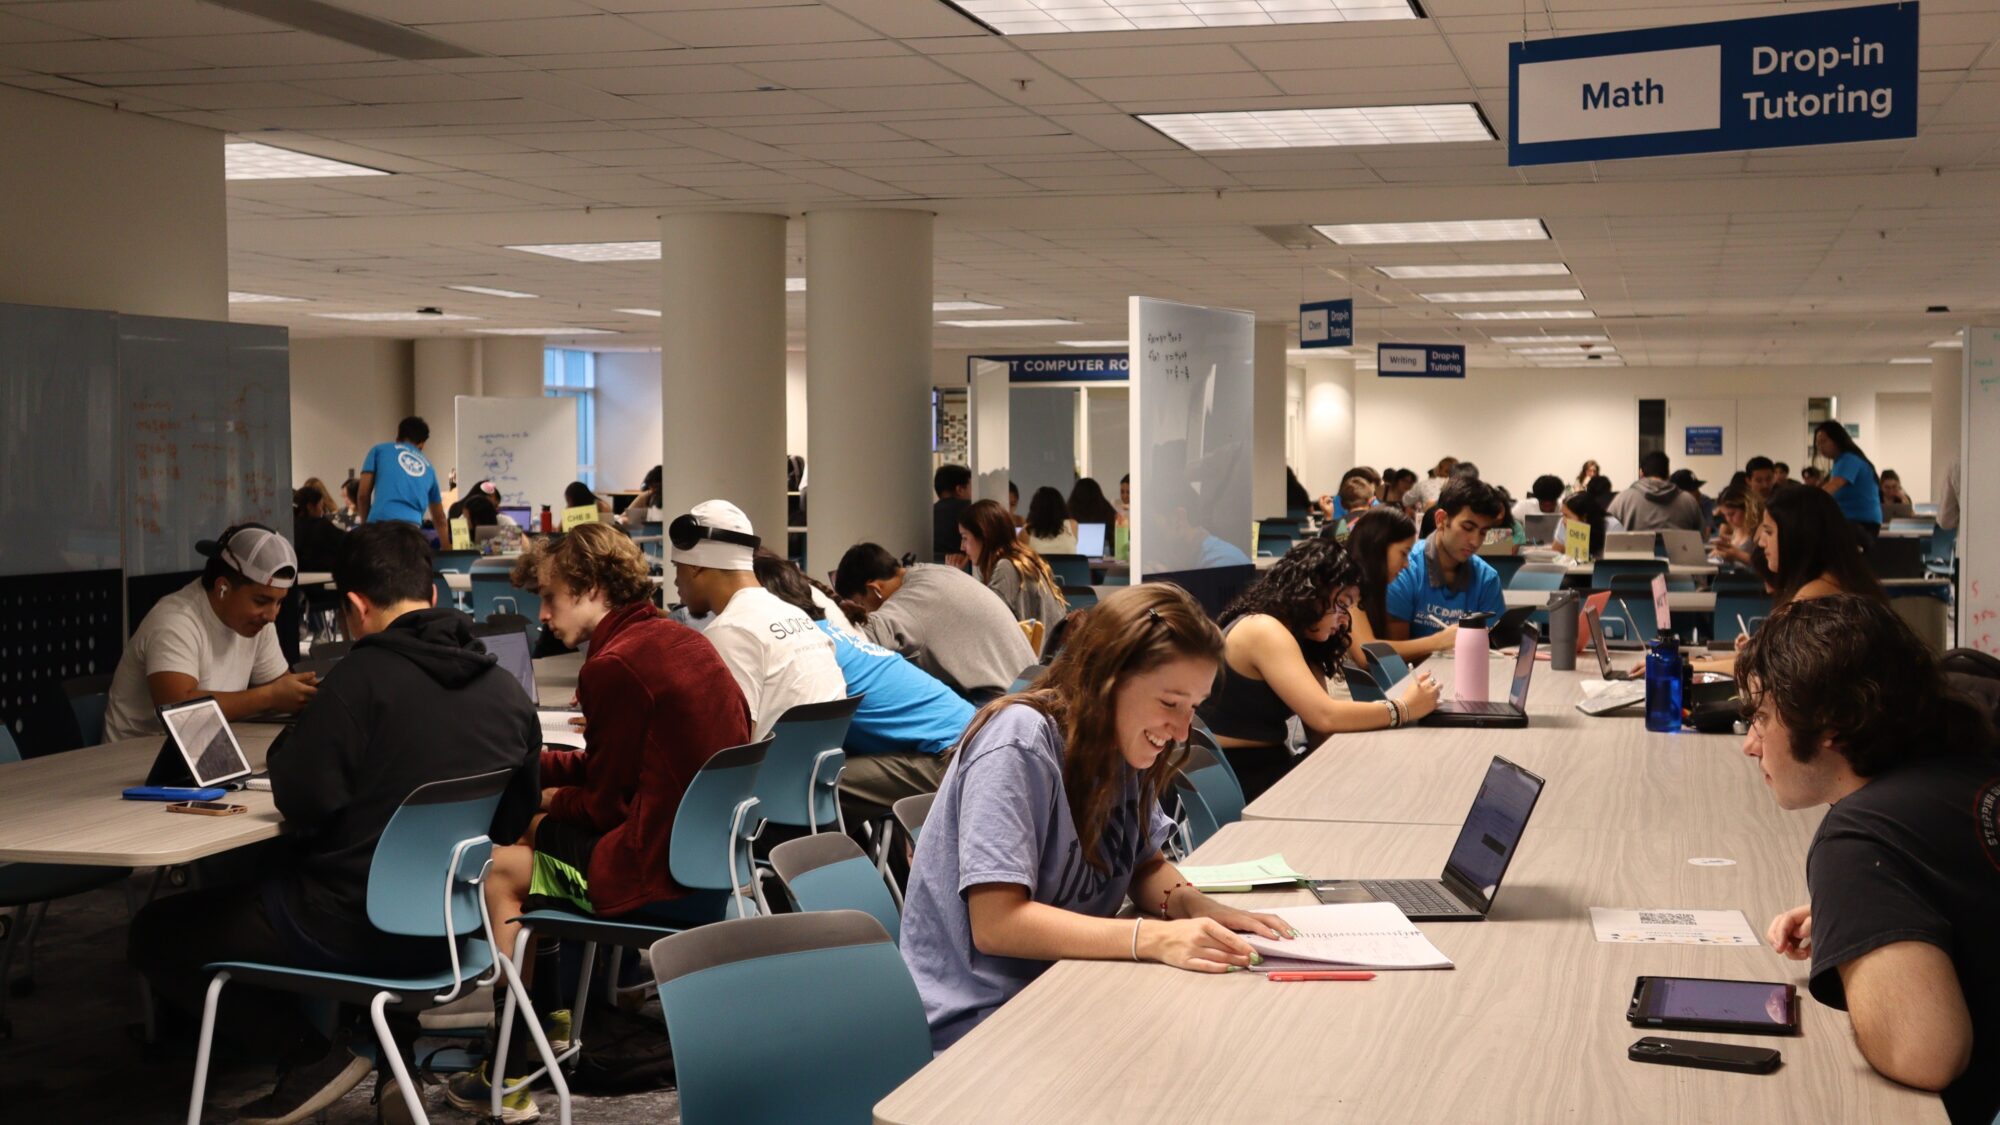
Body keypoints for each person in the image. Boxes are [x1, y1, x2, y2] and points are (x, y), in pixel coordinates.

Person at [129, 522, 542, 1124]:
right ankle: (387, 1047)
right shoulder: (506, 692)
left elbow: (301, 799)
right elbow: (509, 822)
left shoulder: (356, 684)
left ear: (354, 606)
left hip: (345, 926)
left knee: (157, 933)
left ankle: (314, 1053)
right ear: (433, 595)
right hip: (449, 931)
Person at [899, 583, 1296, 1052]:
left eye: (1193, 708)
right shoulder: (1020, 742)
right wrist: (1152, 938)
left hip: (1071, 990)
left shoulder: (1118, 743)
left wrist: (1196, 907)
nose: (1181, 730)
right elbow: (997, 923)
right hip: (985, 1030)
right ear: (1105, 678)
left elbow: (1142, 864)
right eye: (1169, 703)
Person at [462, 523, 752, 1118]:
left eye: (550, 597)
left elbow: (604, 806)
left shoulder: (614, 664)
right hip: (706, 869)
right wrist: (538, 769)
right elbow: (619, 766)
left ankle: (511, 1073)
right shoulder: (679, 641)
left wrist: (539, 801)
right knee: (529, 841)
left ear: (592, 588)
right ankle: (555, 1024)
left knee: (501, 866)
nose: (541, 614)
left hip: (652, 879)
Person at [1739, 595, 2000, 1124]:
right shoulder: (1968, 756)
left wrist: (1854, 895)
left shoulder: (1860, 839)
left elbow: (1926, 1054)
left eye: (1764, 718)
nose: (1750, 744)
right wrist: (1865, 914)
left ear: (1830, 726)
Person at [1198, 538, 1440, 800]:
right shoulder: (1263, 629)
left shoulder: (1298, 635)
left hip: (1266, 765)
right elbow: (1325, 715)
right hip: (1240, 777)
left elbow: (1321, 732)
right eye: (1342, 604)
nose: (1344, 619)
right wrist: (1403, 709)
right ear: (1311, 593)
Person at [752, 552, 974, 820]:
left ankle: (826, 859)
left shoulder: (804, 650)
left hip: (951, 759)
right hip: (964, 742)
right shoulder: (832, 634)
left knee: (808, 789)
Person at [103, 525, 317, 743]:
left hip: (206, 749)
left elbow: (279, 688)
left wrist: (305, 695)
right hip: (134, 760)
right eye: (261, 601)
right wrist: (269, 697)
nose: (272, 615)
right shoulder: (175, 621)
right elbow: (178, 710)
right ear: (222, 587)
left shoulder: (257, 622)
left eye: (279, 602)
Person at [670, 500, 844, 740]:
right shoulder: (795, 615)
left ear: (695, 567)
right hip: (811, 774)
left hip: (767, 776)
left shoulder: (730, 631)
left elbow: (731, 747)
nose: (675, 581)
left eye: (677, 566)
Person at [1692, 484, 1884, 675]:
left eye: (1769, 532)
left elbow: (1763, 670)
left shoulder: (1814, 597)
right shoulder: (1837, 582)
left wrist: (1692, 666)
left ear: (1796, 536)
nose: (1760, 542)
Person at [833, 544, 1036, 704]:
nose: (865, 611)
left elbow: (864, 637)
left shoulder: (908, 601)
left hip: (998, 703)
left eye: (861, 605)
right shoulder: (937, 573)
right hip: (1025, 687)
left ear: (875, 588)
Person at [1386, 478, 1508, 640]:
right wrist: (1438, 643)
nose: (1475, 541)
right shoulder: (1404, 569)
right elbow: (1396, 655)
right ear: (1441, 520)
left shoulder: (1487, 578)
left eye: (1483, 532)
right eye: (1467, 528)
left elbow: (1495, 646)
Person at [960, 499, 1069, 634]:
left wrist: (957, 580)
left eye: (965, 538)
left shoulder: (1006, 567)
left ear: (984, 536)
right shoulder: (1022, 559)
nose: (962, 547)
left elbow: (985, 624)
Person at [356, 416, 447, 532]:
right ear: (422, 444)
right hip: (412, 529)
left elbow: (363, 495)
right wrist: (447, 548)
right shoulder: (429, 467)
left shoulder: (379, 450)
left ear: (397, 437)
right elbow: (440, 518)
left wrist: (365, 528)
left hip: (380, 525)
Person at [1606, 450, 1705, 533]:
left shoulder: (1623, 499)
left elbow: (1607, 531)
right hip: (1678, 556)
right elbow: (1702, 536)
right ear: (1668, 474)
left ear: (1641, 473)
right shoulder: (1688, 501)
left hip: (1635, 555)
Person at [291, 482, 345, 572]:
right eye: (320, 505)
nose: (322, 510)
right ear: (310, 507)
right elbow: (345, 541)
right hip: (321, 576)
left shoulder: (291, 526)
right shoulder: (322, 526)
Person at [933, 464, 973, 565]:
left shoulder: (929, 513)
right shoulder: (971, 510)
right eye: (970, 487)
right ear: (960, 489)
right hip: (963, 568)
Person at [1021, 486, 1078, 555]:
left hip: (1039, 566)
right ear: (1061, 506)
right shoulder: (1072, 525)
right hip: (1069, 566)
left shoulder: (1026, 531)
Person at [1709, 484, 1756, 567]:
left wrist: (1736, 554)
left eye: (1732, 514)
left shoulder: (1758, 530)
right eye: (1725, 515)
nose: (1728, 519)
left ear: (1747, 508)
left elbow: (1764, 565)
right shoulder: (1738, 527)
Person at [1669, 469, 1713, 534]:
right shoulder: (1668, 504)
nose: (1698, 493)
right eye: (1692, 490)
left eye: (1697, 488)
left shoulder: (1704, 501)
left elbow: (1707, 530)